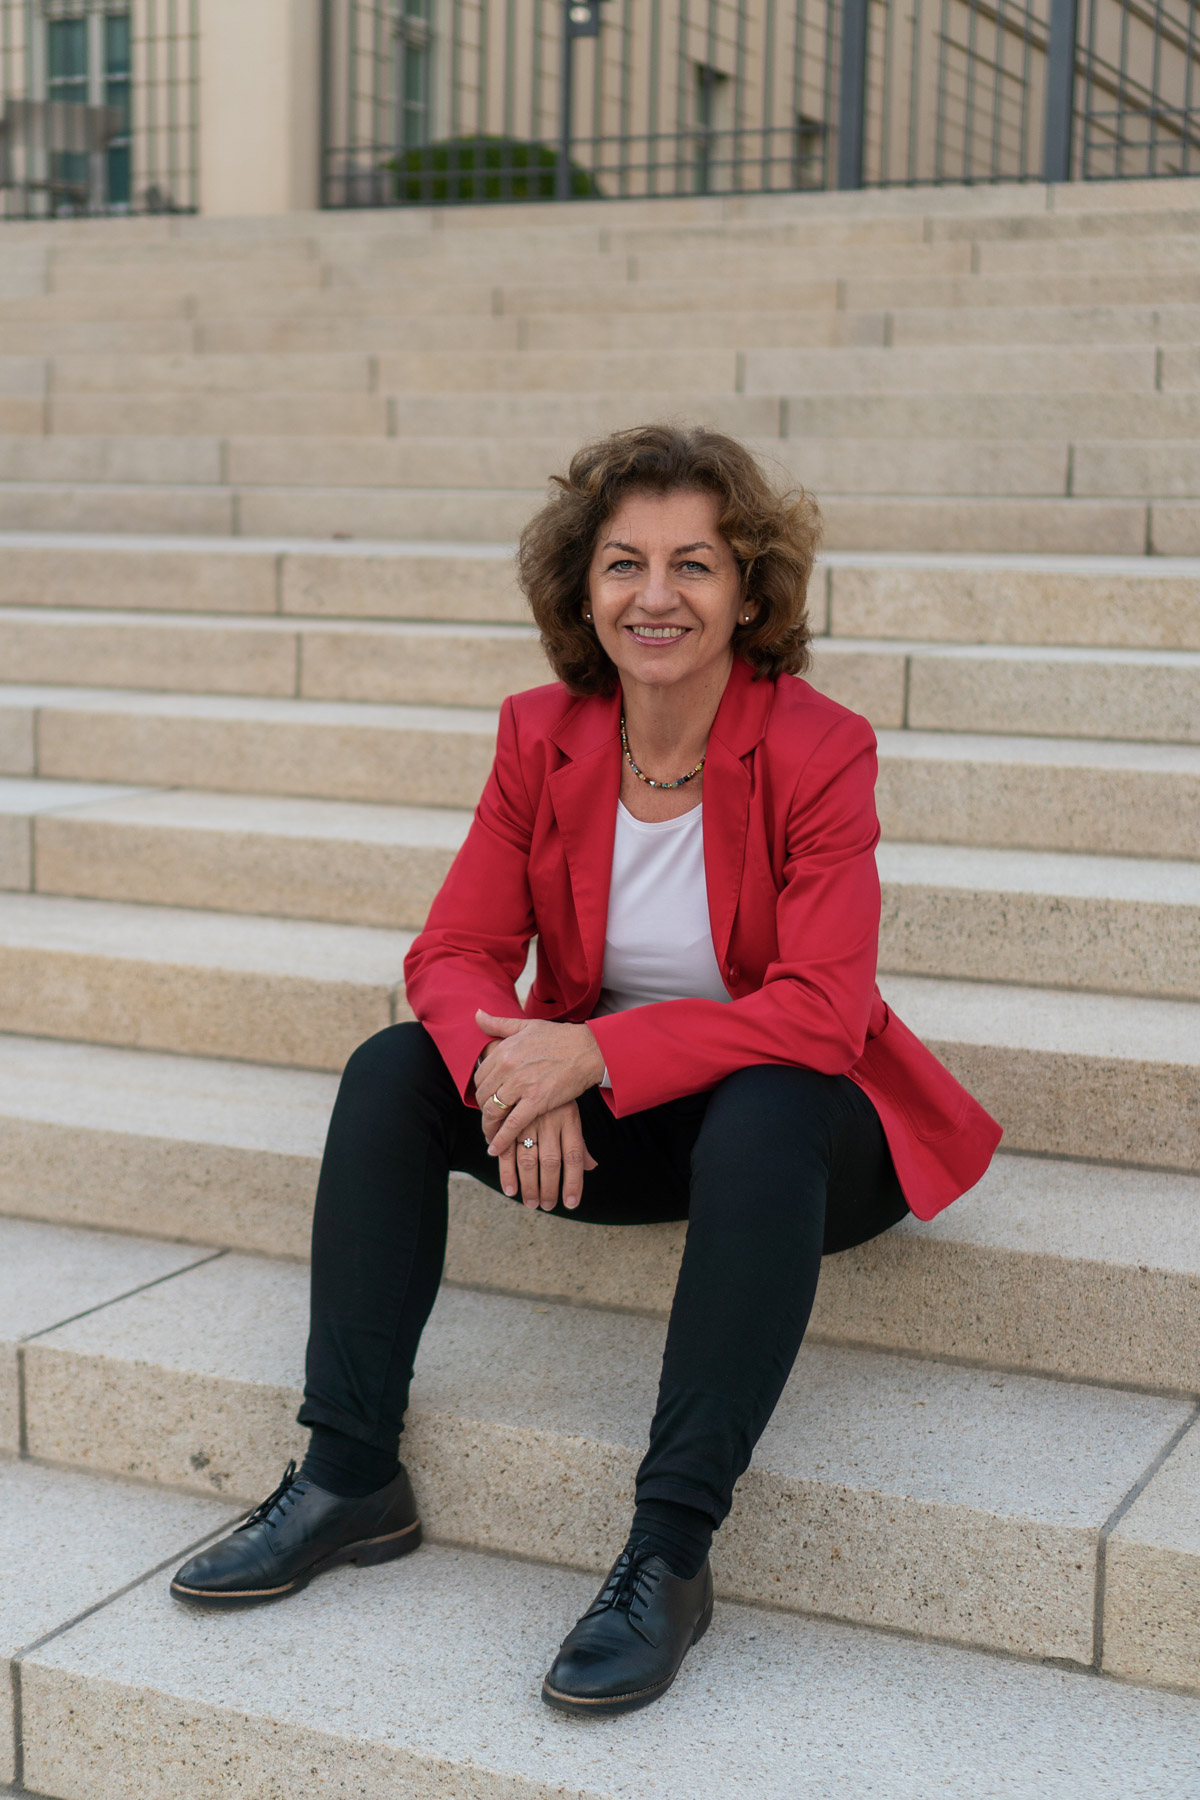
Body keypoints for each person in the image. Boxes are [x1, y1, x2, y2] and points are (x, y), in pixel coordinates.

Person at [171, 424, 1001, 1716]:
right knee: (394, 1070)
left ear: (748, 593)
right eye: (625, 564)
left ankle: (668, 1553)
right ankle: (348, 1477)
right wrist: (514, 1073)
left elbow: (824, 1012)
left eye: (695, 565)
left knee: (773, 1101)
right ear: (583, 587)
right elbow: (453, 950)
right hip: (628, 1116)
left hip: (806, 1147)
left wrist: (595, 1051)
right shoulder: (543, 734)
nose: (656, 597)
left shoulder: (819, 748)